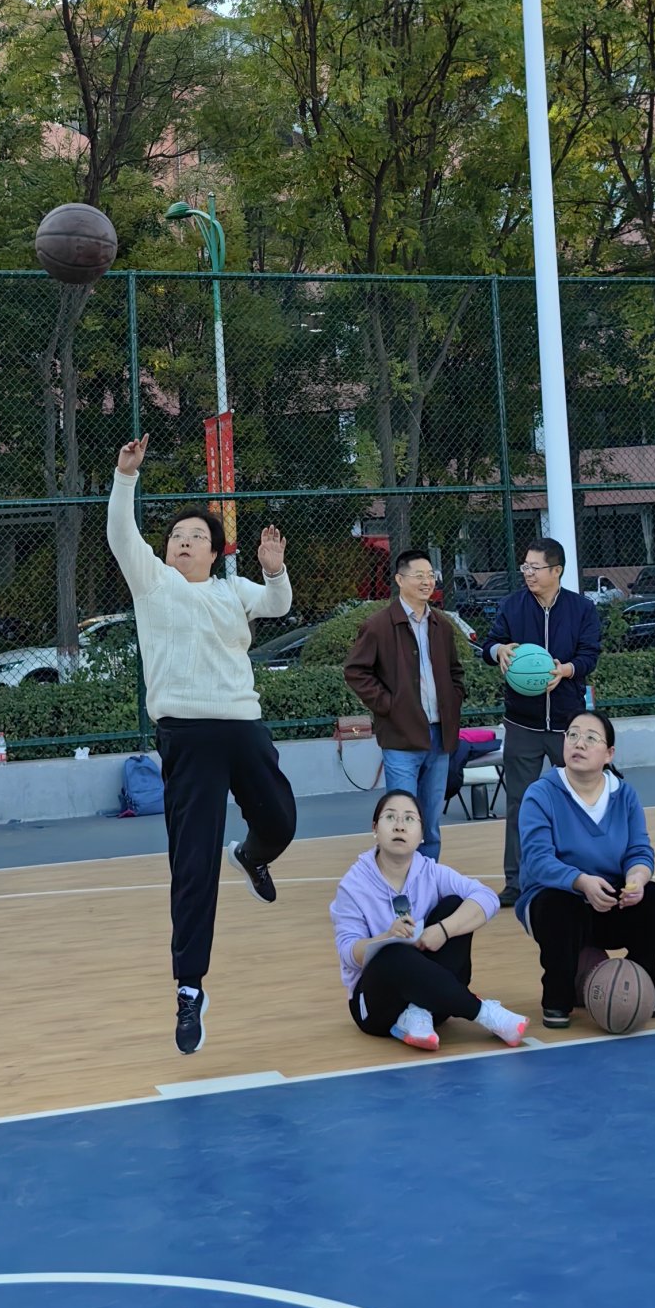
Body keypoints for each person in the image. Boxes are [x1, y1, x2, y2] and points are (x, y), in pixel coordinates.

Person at [108, 433, 296, 1055]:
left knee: (282, 821)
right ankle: (189, 988)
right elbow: (120, 536)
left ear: (215, 552)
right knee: (192, 866)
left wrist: (274, 568)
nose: (183, 541)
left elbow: (278, 603)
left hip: (242, 727)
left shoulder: (231, 590)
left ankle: (252, 855)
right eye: (176, 536)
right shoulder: (153, 584)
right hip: (186, 736)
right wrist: (127, 477)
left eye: (196, 536)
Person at [330, 790, 526, 1049]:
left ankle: (417, 1011)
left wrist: (443, 930)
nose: (400, 825)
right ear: (375, 828)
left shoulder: (431, 872)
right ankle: (484, 1013)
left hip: (435, 1003)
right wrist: (386, 937)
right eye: (390, 817)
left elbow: (487, 898)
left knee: (454, 905)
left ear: (422, 834)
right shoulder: (353, 885)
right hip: (376, 1008)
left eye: (409, 819)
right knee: (393, 953)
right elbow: (347, 952)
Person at [517, 709, 655, 1028]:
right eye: (572, 735)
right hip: (556, 900)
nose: (579, 743)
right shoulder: (541, 793)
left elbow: (639, 850)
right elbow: (537, 860)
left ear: (609, 753)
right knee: (560, 906)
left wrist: (637, 878)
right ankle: (557, 998)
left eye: (590, 738)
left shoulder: (624, 795)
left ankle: (642, 984)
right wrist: (581, 881)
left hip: (609, 899)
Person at [478, 538, 603, 902]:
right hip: (523, 723)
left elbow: (590, 655)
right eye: (525, 567)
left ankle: (583, 877)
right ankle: (517, 882)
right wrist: (498, 650)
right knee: (520, 804)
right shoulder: (512, 606)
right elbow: (488, 645)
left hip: (569, 726)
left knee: (579, 802)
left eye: (535, 568)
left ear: (556, 570)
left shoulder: (581, 609)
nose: (528, 573)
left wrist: (567, 669)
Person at [343, 551, 465, 860]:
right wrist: (389, 706)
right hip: (400, 737)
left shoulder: (442, 625)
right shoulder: (379, 626)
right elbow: (356, 671)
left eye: (430, 575)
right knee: (402, 820)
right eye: (419, 575)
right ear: (399, 579)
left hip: (440, 736)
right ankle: (399, 881)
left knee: (430, 823)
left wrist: (453, 700)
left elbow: (456, 672)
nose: (427, 581)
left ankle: (427, 878)